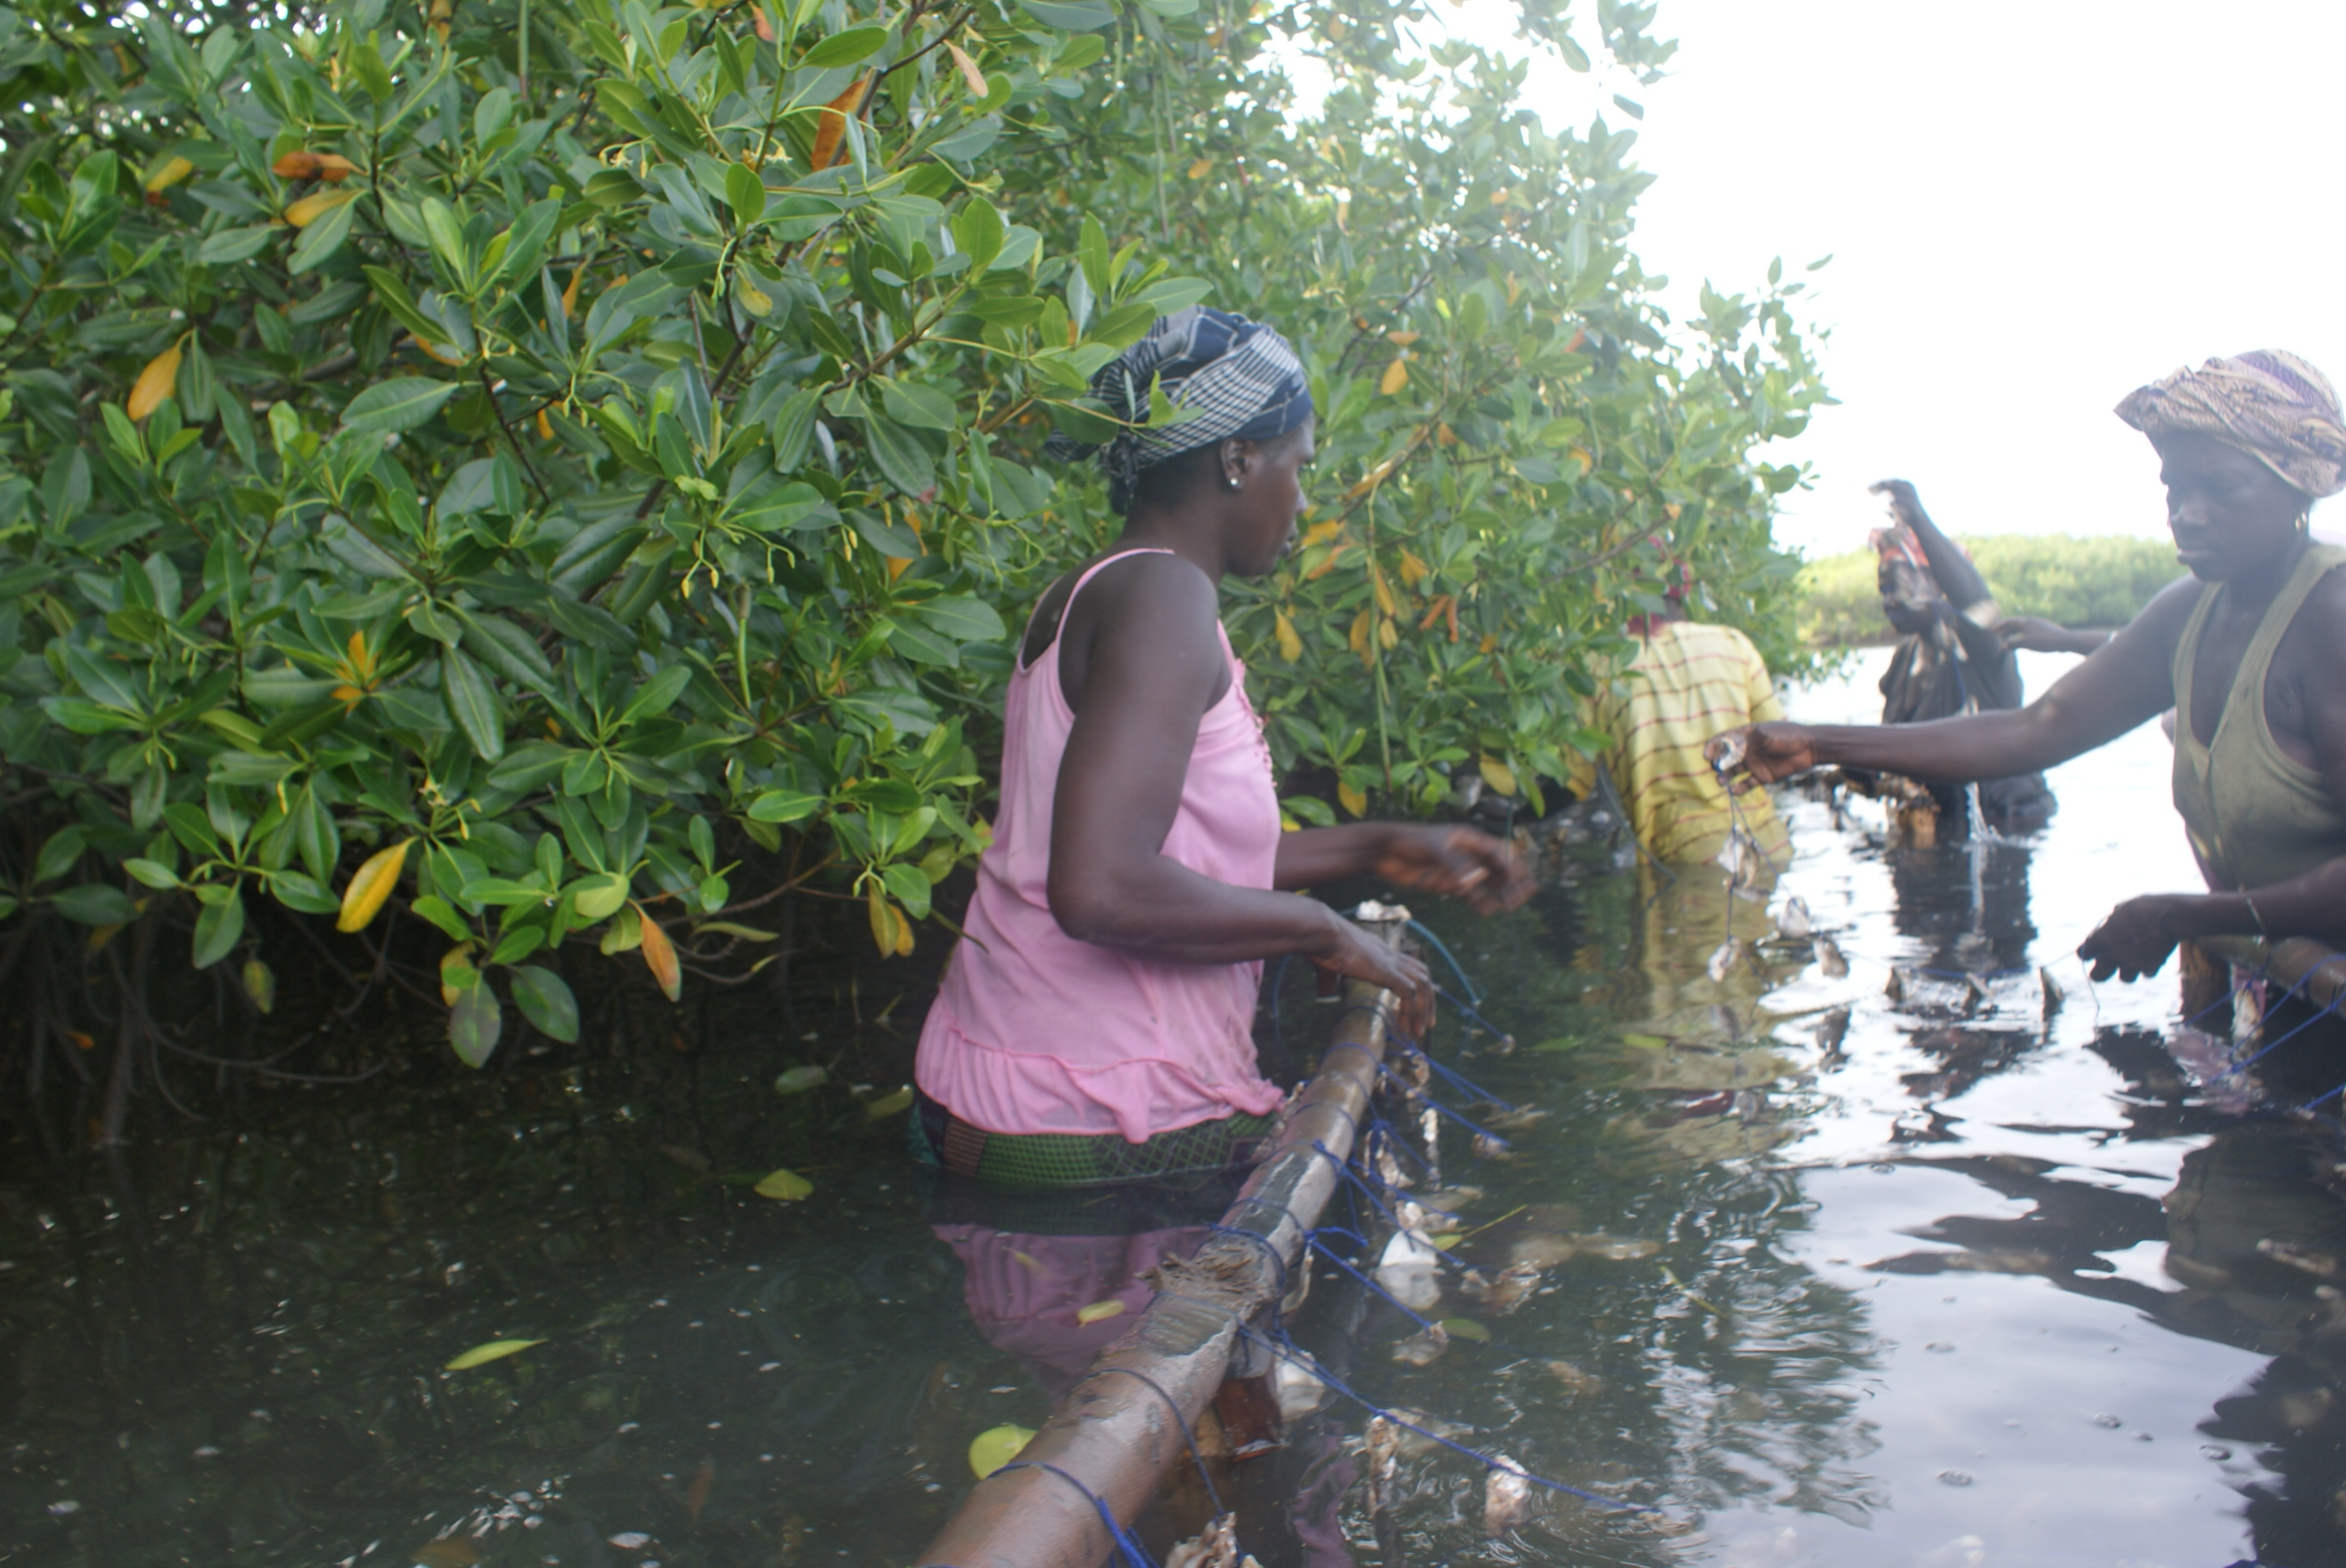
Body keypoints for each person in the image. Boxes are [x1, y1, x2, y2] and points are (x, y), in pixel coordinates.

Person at [911, 307, 1533, 1190]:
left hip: (982, 1091)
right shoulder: (1166, 599)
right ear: (1237, 459)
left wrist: (1377, 846)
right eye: (1300, 466)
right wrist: (1323, 929)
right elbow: (1102, 889)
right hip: (1089, 1127)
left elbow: (1177, 852)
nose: (1305, 500)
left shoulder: (1102, 587)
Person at [1711, 349, 2346, 986]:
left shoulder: (2331, 617)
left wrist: (2182, 915)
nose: (2186, 511)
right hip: (2287, 977)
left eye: (2221, 487)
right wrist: (1815, 743)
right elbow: (2036, 728)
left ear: (2299, 484)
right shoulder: (2189, 613)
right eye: (2174, 487)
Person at [1563, 560, 1791, 866]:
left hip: (1682, 859)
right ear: (1683, 592)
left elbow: (1569, 785)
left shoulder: (1601, 667)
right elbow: (1785, 745)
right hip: (1767, 848)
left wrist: (1511, 818)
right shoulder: (1734, 644)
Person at [1869, 479, 2058, 833]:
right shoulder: (1904, 662)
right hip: (1938, 829)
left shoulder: (1980, 647)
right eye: (1884, 590)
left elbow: (1978, 604)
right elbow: (1888, 758)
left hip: (2007, 824)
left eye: (1897, 585)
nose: (1889, 601)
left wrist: (1917, 519)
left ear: (1938, 584)